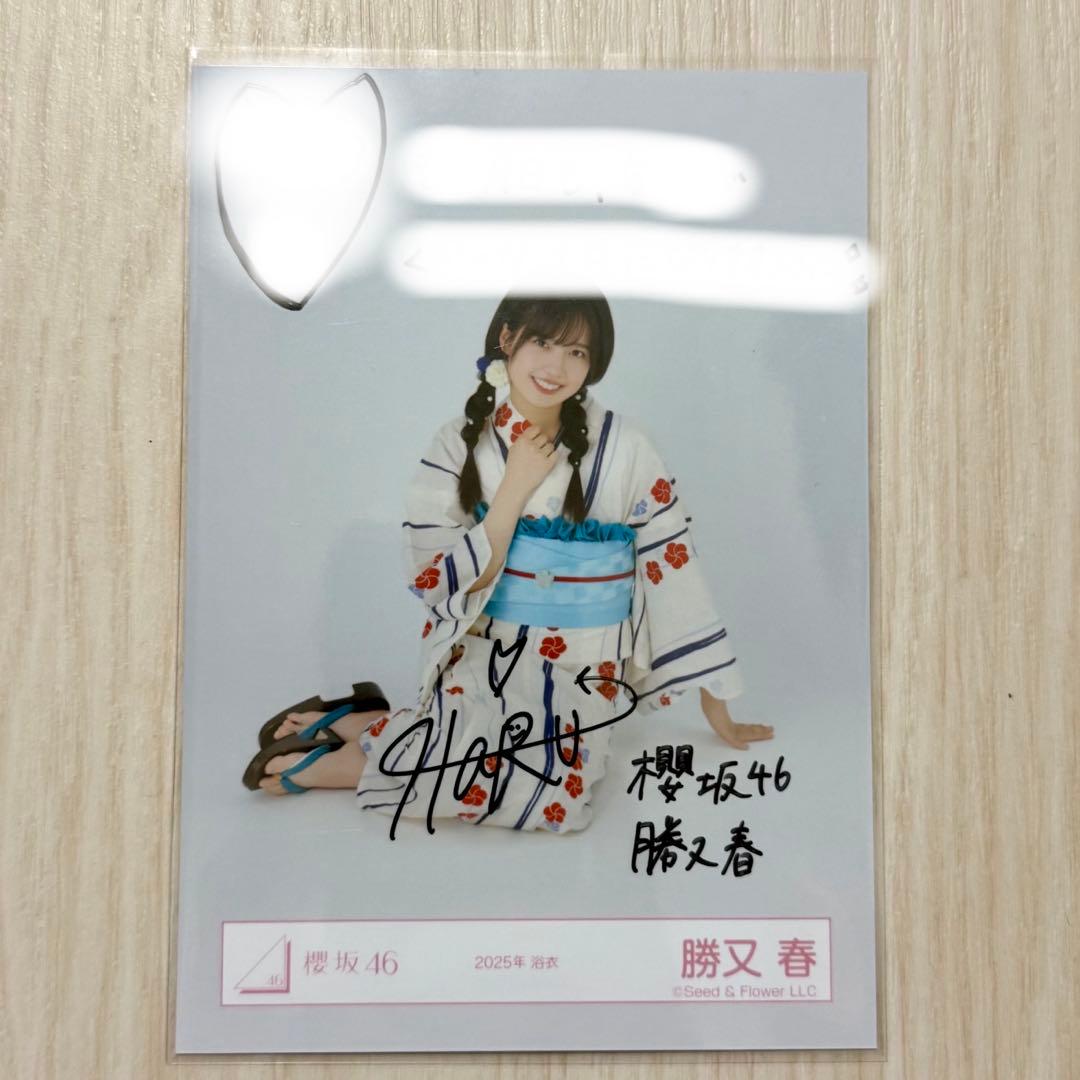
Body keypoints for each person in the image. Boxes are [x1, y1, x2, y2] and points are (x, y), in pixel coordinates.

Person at [243, 293, 773, 832]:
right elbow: (433, 579)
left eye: (576, 352)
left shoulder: (626, 446)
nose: (556, 367)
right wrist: (513, 489)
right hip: (485, 650)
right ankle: (351, 749)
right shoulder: (456, 444)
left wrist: (715, 703)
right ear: (506, 338)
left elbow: (672, 562)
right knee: (486, 750)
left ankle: (365, 735)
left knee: (556, 789)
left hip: (587, 670)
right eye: (542, 342)